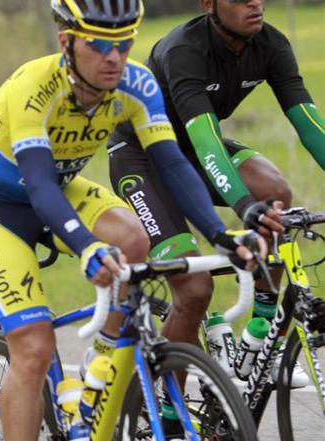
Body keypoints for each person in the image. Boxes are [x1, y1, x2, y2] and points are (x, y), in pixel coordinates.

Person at [0, 0, 263, 439]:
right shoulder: (34, 85)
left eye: (123, 43)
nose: (114, 57)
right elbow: (37, 184)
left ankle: (96, 378)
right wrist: (87, 246)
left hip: (58, 188)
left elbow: (172, 165)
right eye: (99, 45)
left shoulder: (137, 84)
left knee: (133, 240)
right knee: (34, 349)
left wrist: (220, 233)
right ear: (67, 42)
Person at [107, 0, 325, 400]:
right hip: (141, 159)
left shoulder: (271, 45)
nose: (255, 3)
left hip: (190, 151)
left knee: (276, 195)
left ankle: (260, 338)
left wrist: (256, 205)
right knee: (194, 291)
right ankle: (170, 413)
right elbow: (206, 141)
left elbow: (310, 126)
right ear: (209, 5)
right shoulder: (184, 50)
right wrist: (244, 207)